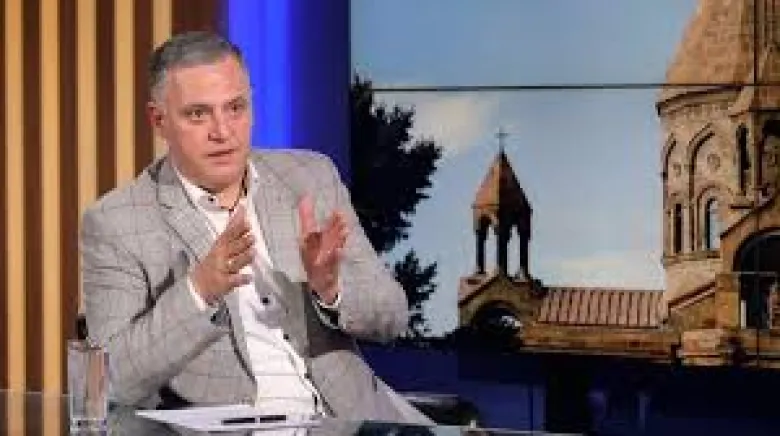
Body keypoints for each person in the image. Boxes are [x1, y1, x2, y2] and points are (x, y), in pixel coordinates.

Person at [81, 30, 430, 424]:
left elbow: (393, 316)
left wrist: (332, 290)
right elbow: (109, 382)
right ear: (158, 120)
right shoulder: (116, 221)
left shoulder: (309, 177)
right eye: (198, 114)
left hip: (353, 418)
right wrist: (199, 291)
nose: (223, 131)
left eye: (235, 108)